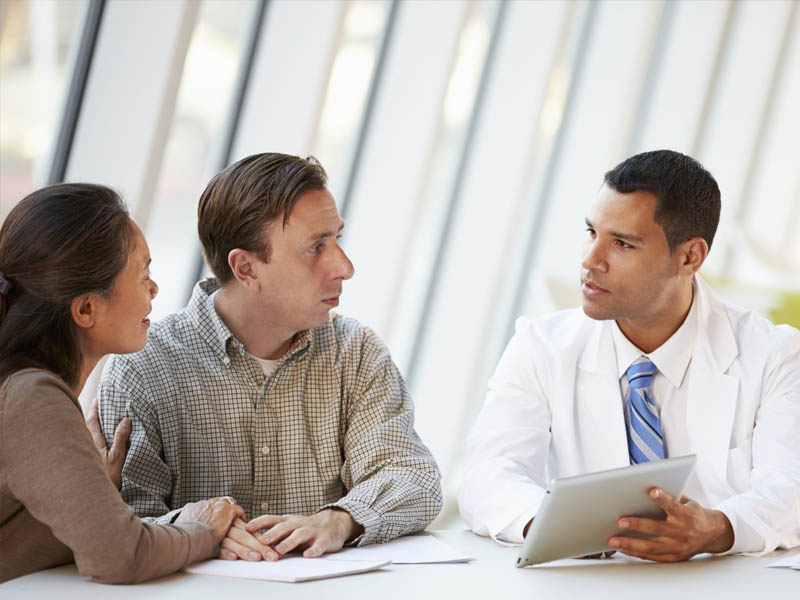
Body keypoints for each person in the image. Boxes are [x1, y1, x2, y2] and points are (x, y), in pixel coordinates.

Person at [99, 153, 442, 562]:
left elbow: (413, 477)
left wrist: (339, 520)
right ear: (246, 269)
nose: (344, 267)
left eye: (337, 239)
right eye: (316, 247)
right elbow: (121, 525)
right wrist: (197, 531)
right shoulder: (142, 369)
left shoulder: (356, 353)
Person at [459, 150, 800, 561]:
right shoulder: (541, 346)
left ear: (690, 257)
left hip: (724, 581)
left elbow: (790, 488)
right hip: (589, 583)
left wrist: (716, 528)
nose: (590, 261)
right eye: (591, 232)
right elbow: (487, 475)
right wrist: (562, 527)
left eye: (622, 243)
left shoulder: (775, 355)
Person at [0, 184, 245, 584]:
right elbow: (122, 556)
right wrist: (203, 529)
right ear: (86, 309)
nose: (154, 289)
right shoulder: (31, 398)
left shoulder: (24, 389)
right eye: (143, 275)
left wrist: (93, 490)